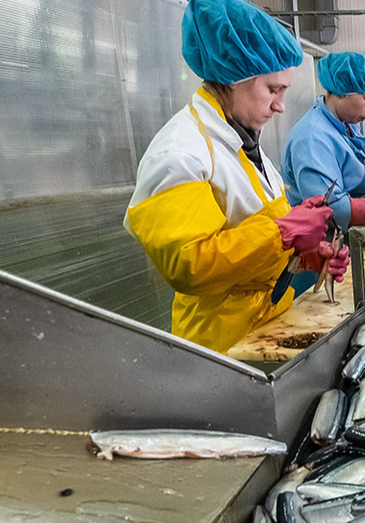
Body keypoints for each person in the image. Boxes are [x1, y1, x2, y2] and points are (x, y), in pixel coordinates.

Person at [123, 0, 348, 354]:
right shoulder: (180, 152)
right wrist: (283, 232)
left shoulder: (241, 142)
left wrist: (309, 256)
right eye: (273, 90)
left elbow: (249, 248)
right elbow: (190, 263)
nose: (281, 106)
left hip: (264, 330)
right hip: (219, 349)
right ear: (233, 77)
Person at [281, 52, 365, 230]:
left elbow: (362, 186)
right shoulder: (313, 138)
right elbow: (330, 208)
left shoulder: (348, 126)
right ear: (342, 91)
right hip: (327, 247)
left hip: (355, 237)